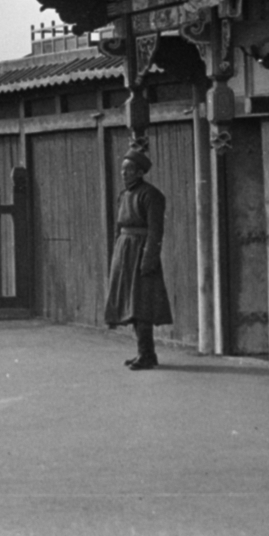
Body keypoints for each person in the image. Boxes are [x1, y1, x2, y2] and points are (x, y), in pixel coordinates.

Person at [103, 147, 173, 370]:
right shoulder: (124, 195)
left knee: (142, 305)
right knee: (130, 304)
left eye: (129, 170)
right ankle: (143, 353)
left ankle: (147, 355)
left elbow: (155, 231)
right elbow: (119, 227)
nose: (124, 174)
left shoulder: (151, 195)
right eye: (123, 170)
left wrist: (148, 259)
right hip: (125, 253)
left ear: (140, 172)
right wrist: (116, 253)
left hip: (141, 253)